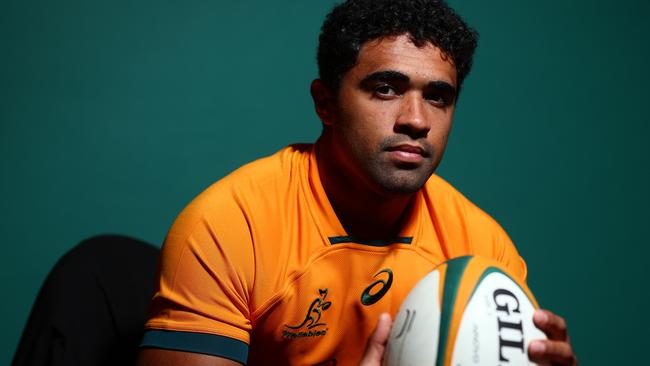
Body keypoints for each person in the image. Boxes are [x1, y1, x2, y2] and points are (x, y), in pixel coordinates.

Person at [137, 0, 577, 365]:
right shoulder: (229, 227)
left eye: (438, 97)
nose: (416, 120)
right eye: (385, 89)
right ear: (325, 103)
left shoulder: (483, 252)